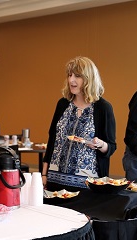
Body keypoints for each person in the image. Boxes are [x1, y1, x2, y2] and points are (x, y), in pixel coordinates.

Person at [41, 56, 116, 191]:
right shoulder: (62, 104)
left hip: (87, 186)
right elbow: (52, 139)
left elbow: (111, 147)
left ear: (89, 79)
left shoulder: (103, 107)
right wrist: (44, 174)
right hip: (54, 182)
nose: (71, 80)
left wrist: (100, 144)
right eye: (69, 75)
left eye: (77, 76)